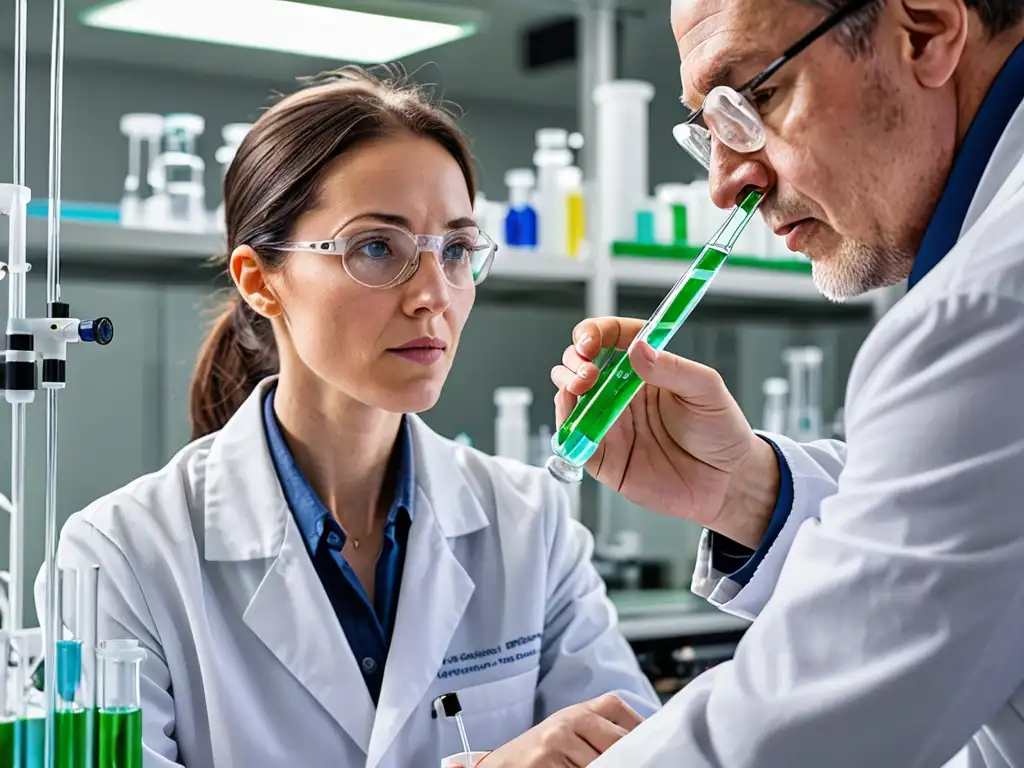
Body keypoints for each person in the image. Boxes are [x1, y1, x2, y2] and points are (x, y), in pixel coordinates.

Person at [42, 67, 659, 767]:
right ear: (260, 280)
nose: (433, 294)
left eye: (456, 250)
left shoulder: (531, 525)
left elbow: (640, 750)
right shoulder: (122, 554)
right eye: (376, 248)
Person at [545, 0, 1024, 765]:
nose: (726, 184)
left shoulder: (992, 303)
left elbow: (809, 724)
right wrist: (747, 490)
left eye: (754, 97)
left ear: (925, 31)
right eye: (710, 124)